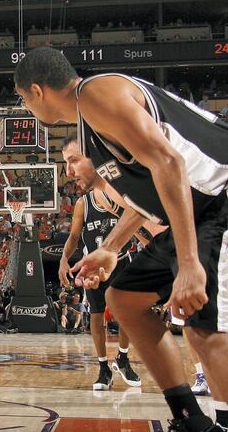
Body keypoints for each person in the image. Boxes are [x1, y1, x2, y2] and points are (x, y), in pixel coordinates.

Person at [15, 47, 228, 432]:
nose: (27, 108)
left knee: (203, 325)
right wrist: (111, 247)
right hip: (200, 211)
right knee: (125, 298)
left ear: (36, 90)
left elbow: (170, 164)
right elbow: (152, 191)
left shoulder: (96, 94)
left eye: (24, 100)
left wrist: (190, 262)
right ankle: (190, 420)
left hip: (221, 196)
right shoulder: (90, 122)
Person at [59, 136, 141, 391]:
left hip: (122, 260)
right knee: (97, 315)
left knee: (129, 313)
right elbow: (74, 235)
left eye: (74, 161)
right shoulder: (84, 203)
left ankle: (124, 358)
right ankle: (103, 366)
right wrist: (63, 259)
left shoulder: (119, 195)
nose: (70, 172)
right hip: (93, 265)